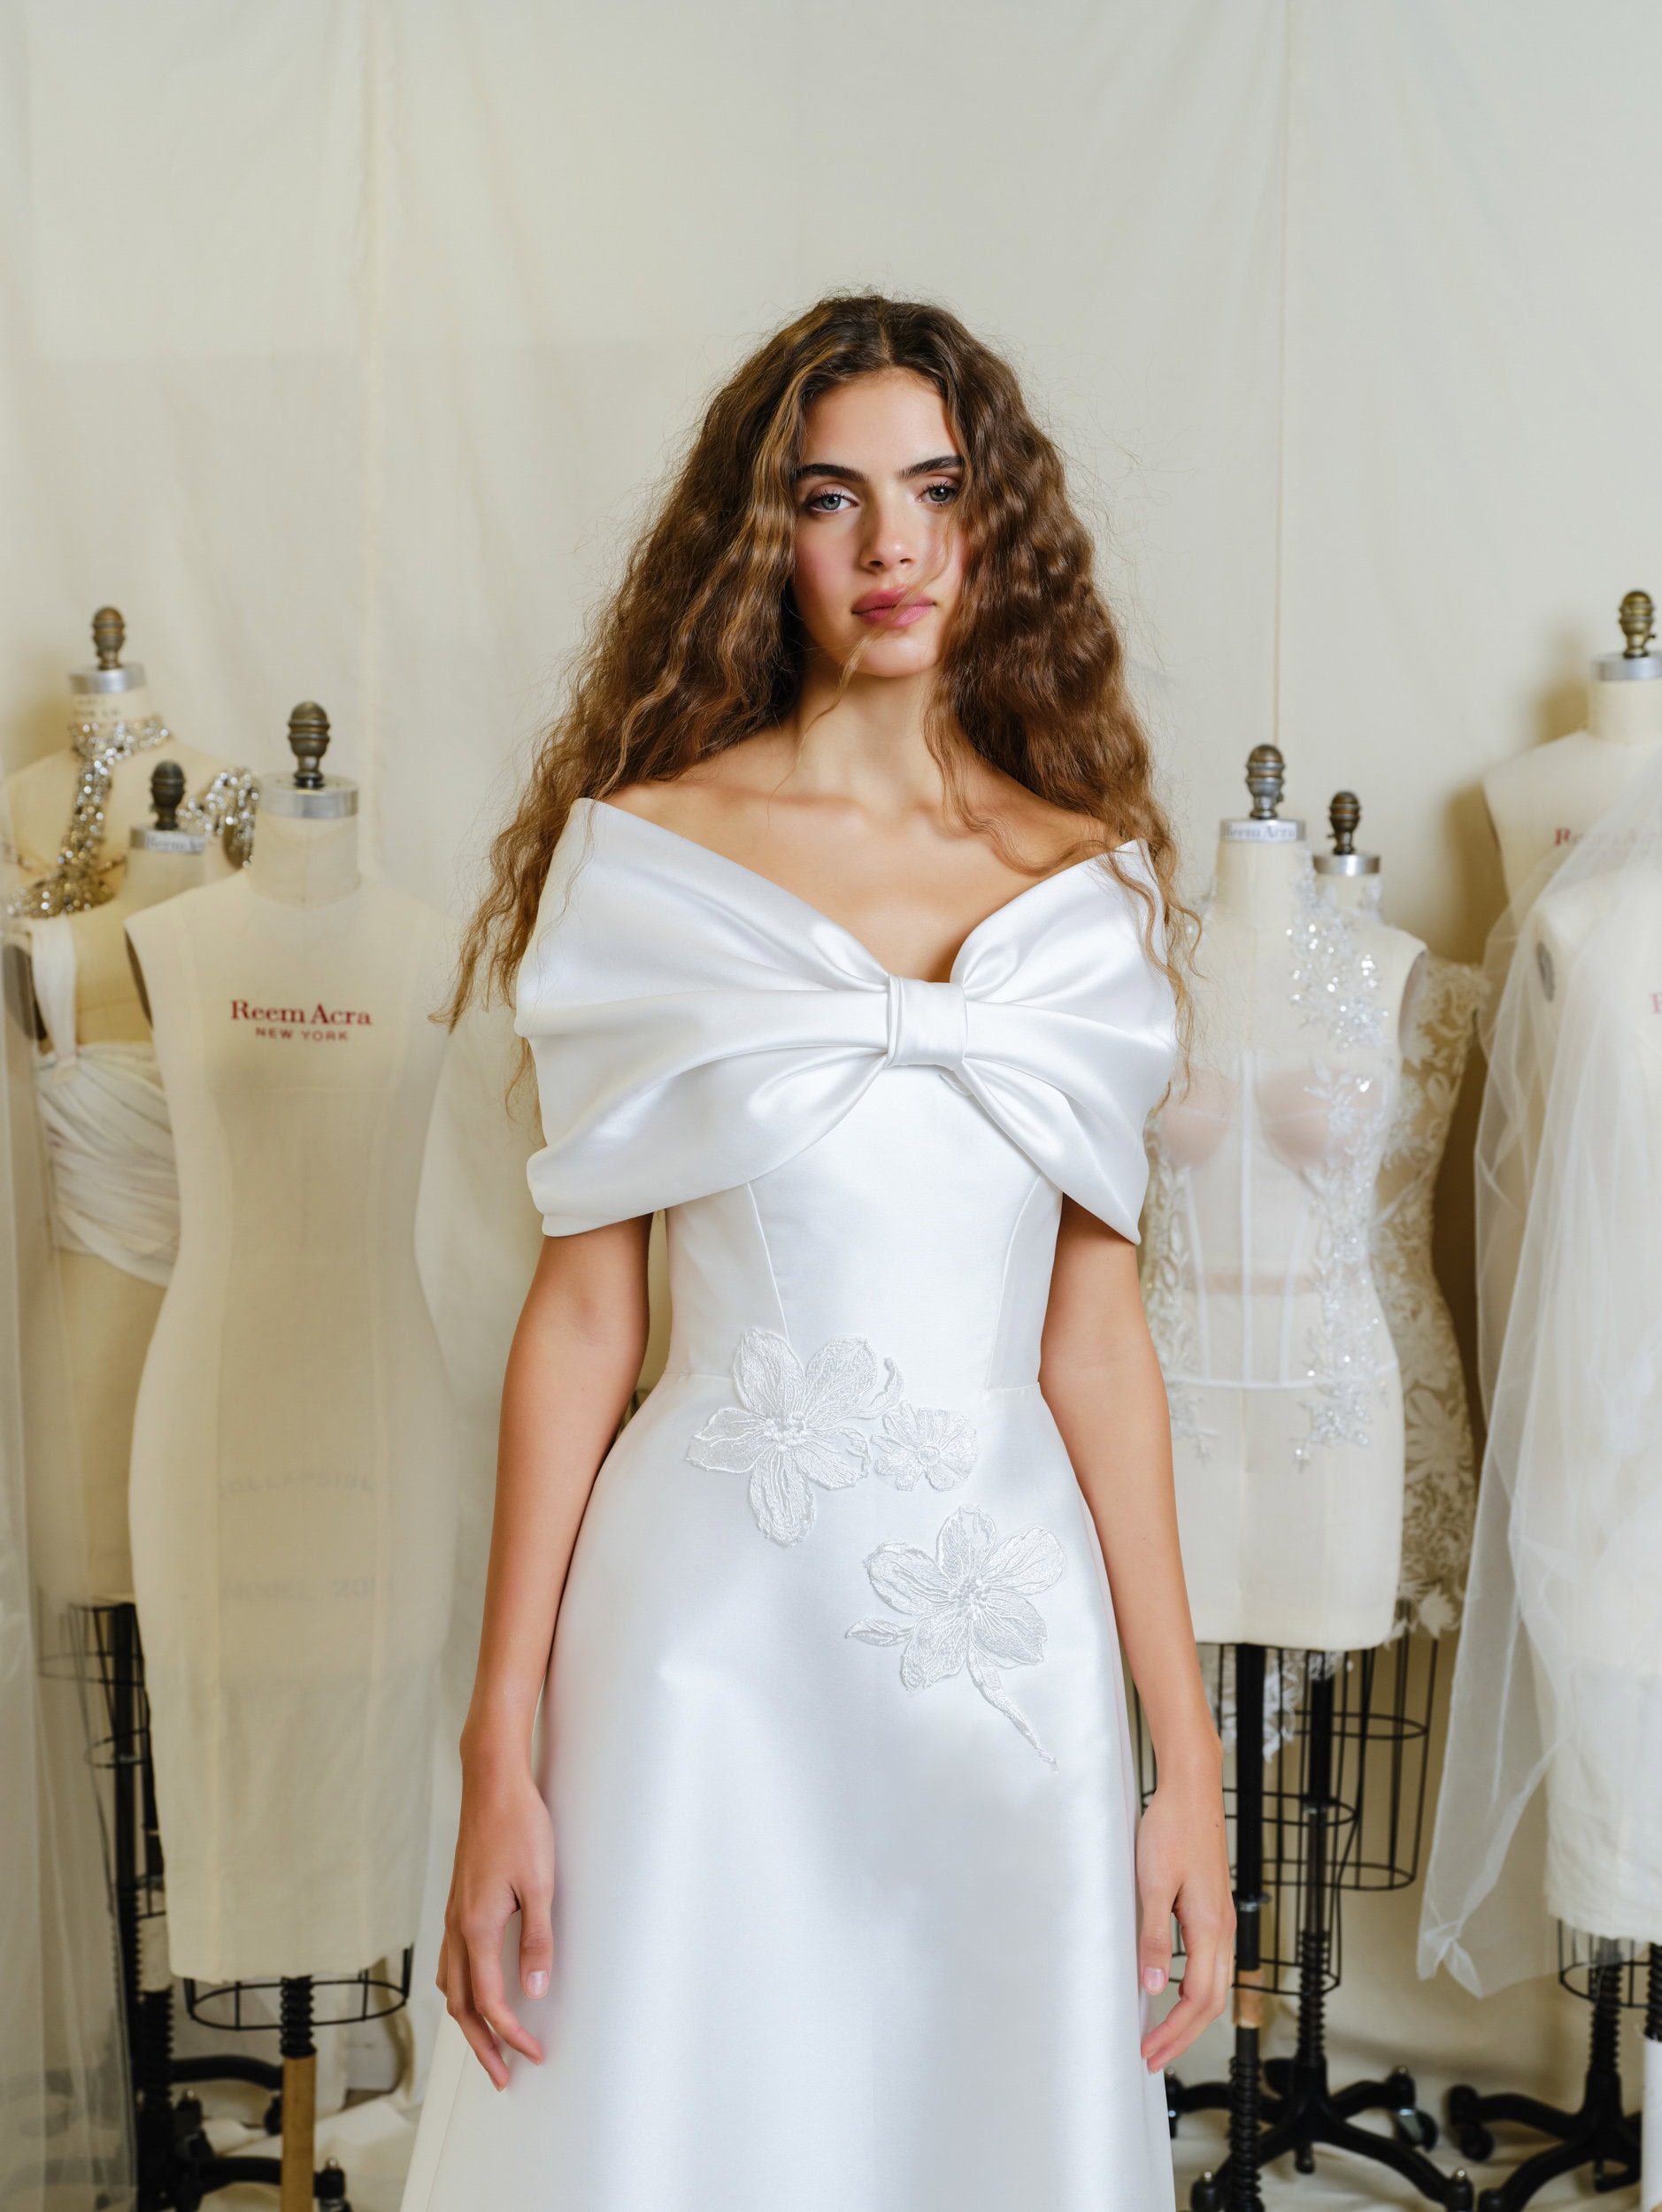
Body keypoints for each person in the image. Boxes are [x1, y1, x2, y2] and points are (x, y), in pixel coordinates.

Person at [403, 294, 1232, 2211]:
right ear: (762, 539)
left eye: (936, 491)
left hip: (1003, 1648)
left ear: (995, 524)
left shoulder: (1088, 885)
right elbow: (584, 1322)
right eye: (831, 498)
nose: (891, 547)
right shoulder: (649, 859)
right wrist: (497, 1745)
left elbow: (1095, 1344)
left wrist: (1180, 1762)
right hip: (704, 1652)